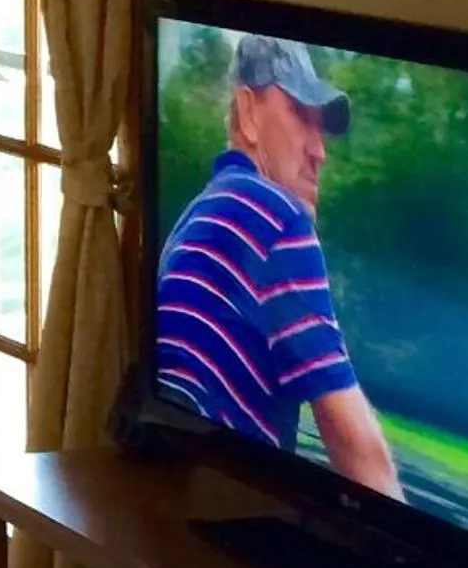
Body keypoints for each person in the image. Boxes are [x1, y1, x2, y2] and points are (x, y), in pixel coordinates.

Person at [154, 34, 402, 498]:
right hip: (227, 510)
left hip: (171, 503)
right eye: (299, 116)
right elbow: (360, 454)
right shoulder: (275, 217)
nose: (319, 150)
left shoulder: (200, 214)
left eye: (320, 127)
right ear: (247, 114)